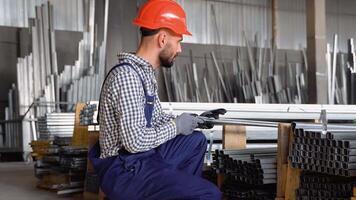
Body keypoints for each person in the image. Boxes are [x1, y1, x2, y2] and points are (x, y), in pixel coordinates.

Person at [89, 0, 223, 199]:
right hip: (125, 169)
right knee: (209, 193)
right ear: (162, 39)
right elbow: (134, 142)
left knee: (195, 141)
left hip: (142, 159)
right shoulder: (127, 77)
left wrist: (193, 120)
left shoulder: (144, 75)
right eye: (178, 42)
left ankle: (174, 190)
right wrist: (177, 126)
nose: (179, 49)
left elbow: (158, 118)